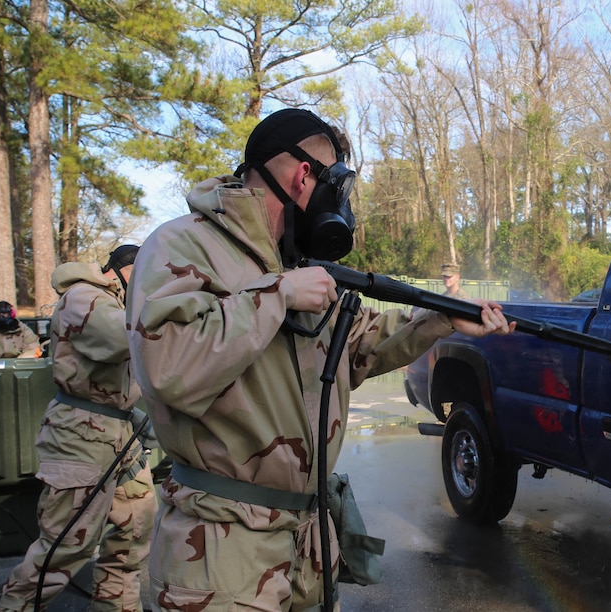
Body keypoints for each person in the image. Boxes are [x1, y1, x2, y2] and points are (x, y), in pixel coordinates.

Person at [125, 108, 513, 611]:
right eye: (337, 182)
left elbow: (357, 347)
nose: (340, 199)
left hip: (307, 547)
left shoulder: (296, 265)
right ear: (303, 174)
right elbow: (166, 366)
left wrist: (441, 320)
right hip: (222, 552)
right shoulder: (185, 245)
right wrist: (276, 294)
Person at [0, 245, 155, 612]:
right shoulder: (84, 296)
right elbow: (121, 339)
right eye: (144, 273)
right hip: (81, 435)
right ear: (125, 270)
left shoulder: (120, 302)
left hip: (118, 435)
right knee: (67, 546)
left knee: (135, 528)